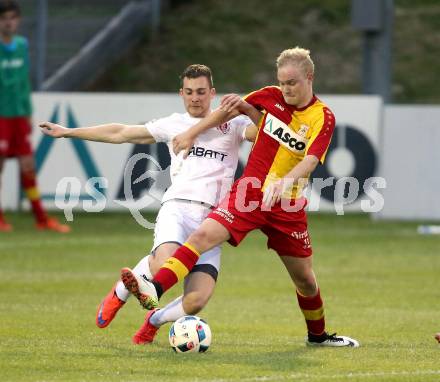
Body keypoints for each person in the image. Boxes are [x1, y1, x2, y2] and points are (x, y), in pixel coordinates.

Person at [121, 47, 360, 347]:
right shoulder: (269, 96)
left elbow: (311, 160)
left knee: (306, 280)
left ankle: (318, 336)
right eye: (282, 82)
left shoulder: (321, 117)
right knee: (202, 236)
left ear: (309, 78)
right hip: (249, 193)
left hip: (287, 204)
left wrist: (284, 182)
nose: (285, 89)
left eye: (292, 83)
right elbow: (226, 112)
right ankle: (154, 290)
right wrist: (194, 132)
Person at [40, 64, 259, 344]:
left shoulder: (234, 125)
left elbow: (265, 132)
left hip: (214, 220)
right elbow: (121, 133)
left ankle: (153, 320)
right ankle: (122, 290)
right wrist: (68, 131)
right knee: (165, 266)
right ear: (181, 94)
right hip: (178, 208)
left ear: (212, 93)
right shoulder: (173, 124)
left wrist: (249, 109)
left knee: (196, 301)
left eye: (202, 92)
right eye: (190, 92)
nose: (195, 98)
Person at [0, 0, 69, 232]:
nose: (8, 22)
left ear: (17, 20)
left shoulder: (21, 45)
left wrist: (28, 112)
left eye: (12, 18)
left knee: (28, 165)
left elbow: (23, 81)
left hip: (20, 116)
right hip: (1, 116)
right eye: (4, 18)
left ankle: (41, 219)